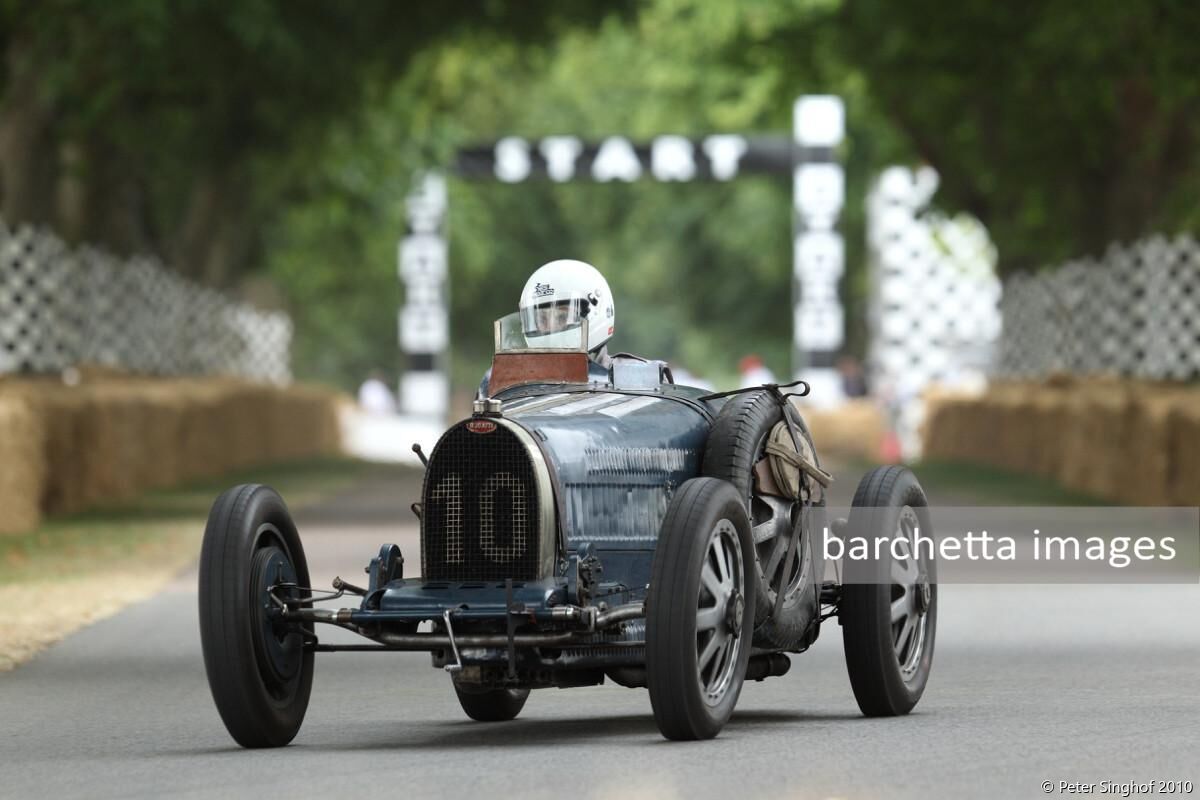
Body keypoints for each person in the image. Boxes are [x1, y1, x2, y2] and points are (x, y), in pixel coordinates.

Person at [479, 259, 616, 398]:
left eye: (563, 317)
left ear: (597, 312)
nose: (550, 328)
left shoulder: (627, 378)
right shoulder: (501, 381)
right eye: (542, 319)